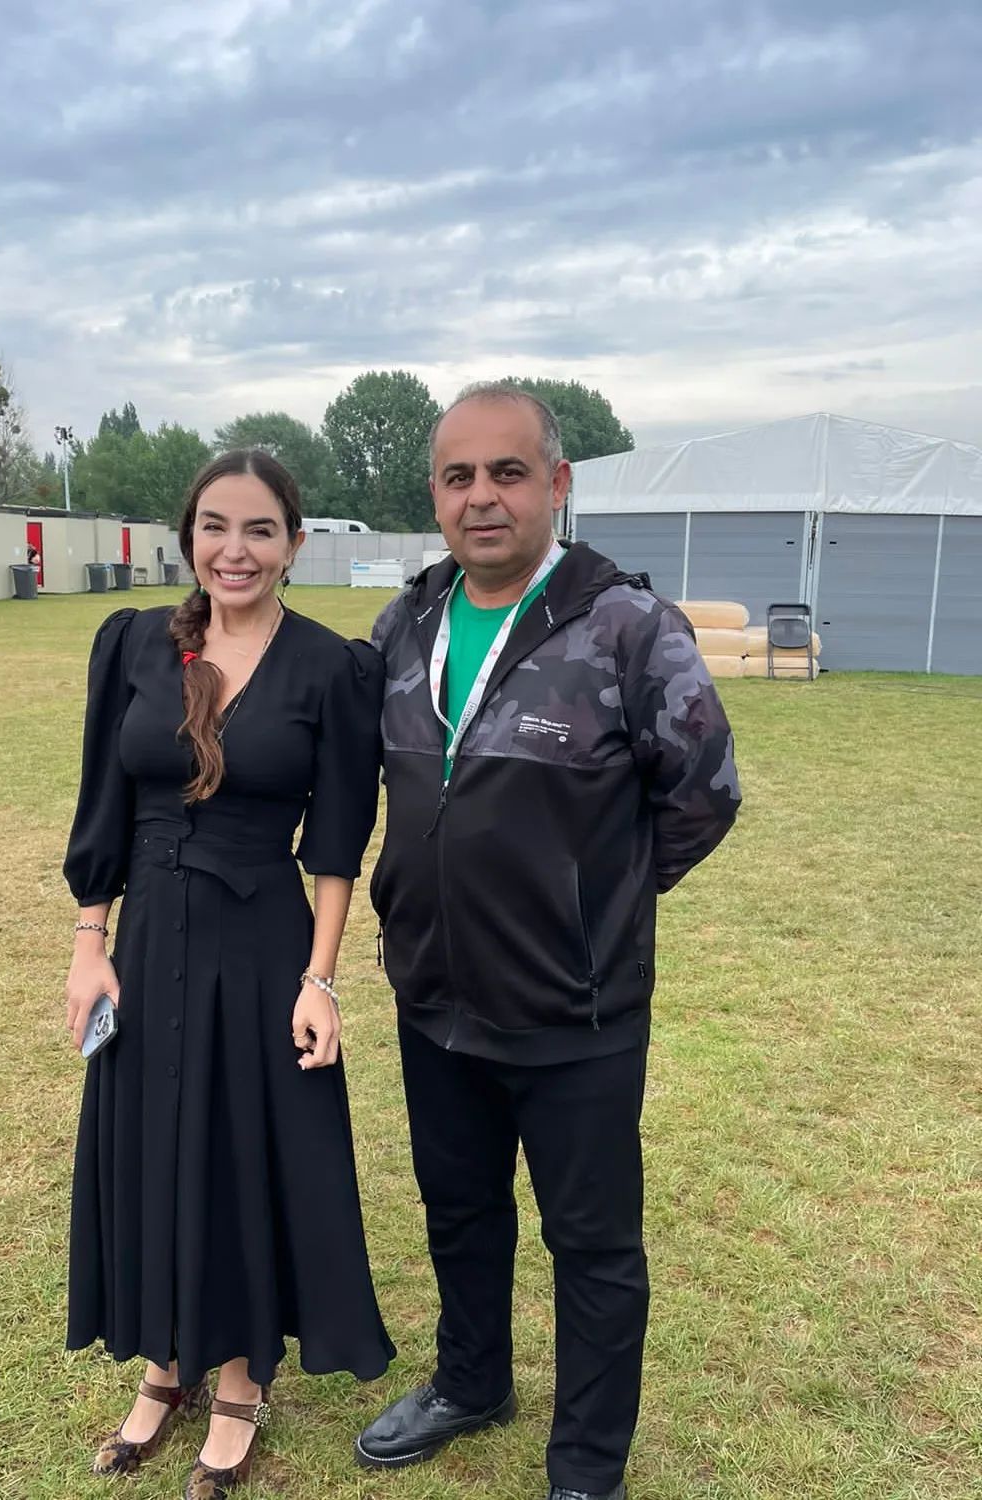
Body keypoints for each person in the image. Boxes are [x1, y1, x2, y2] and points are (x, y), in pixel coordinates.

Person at [356, 384, 741, 1500]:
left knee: (594, 1247)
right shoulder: (405, 625)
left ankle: (585, 1467)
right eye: (458, 476)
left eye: (508, 472)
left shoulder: (626, 626)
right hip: (434, 994)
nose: (482, 497)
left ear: (558, 484)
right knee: (460, 1209)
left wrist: (590, 904)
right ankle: (472, 1382)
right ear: (436, 494)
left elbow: (704, 793)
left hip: (576, 1010)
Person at [63, 449, 394, 1500]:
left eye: (259, 529)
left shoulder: (331, 669)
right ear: (189, 536)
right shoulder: (133, 643)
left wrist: (320, 981)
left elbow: (336, 844)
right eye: (215, 526)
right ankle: (167, 1363)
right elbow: (102, 802)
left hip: (261, 948)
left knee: (243, 1153)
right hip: (150, 942)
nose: (234, 550)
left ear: (294, 543)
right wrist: (89, 943)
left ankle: (243, 1380)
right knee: (156, 1146)